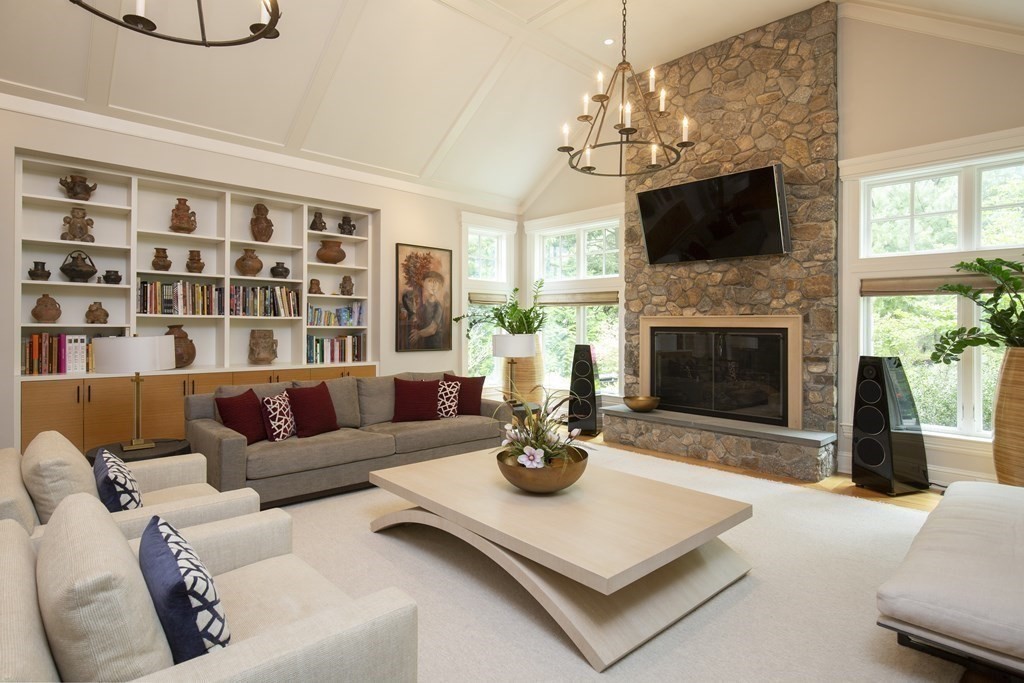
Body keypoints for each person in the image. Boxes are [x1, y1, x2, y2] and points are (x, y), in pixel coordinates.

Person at [408, 271, 446, 349]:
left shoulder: (438, 306)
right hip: (424, 344)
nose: (434, 285)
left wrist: (418, 334)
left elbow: (432, 329)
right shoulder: (425, 305)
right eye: (430, 281)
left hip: (435, 345)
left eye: (436, 282)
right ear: (423, 282)